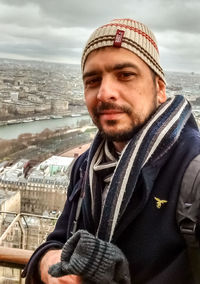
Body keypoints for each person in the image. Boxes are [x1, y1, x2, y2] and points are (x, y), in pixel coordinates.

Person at [22, 18, 200, 284]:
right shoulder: (85, 166)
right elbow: (58, 241)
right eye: (93, 80)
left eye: (125, 75)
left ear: (160, 88)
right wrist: (49, 266)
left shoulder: (194, 172)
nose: (105, 93)